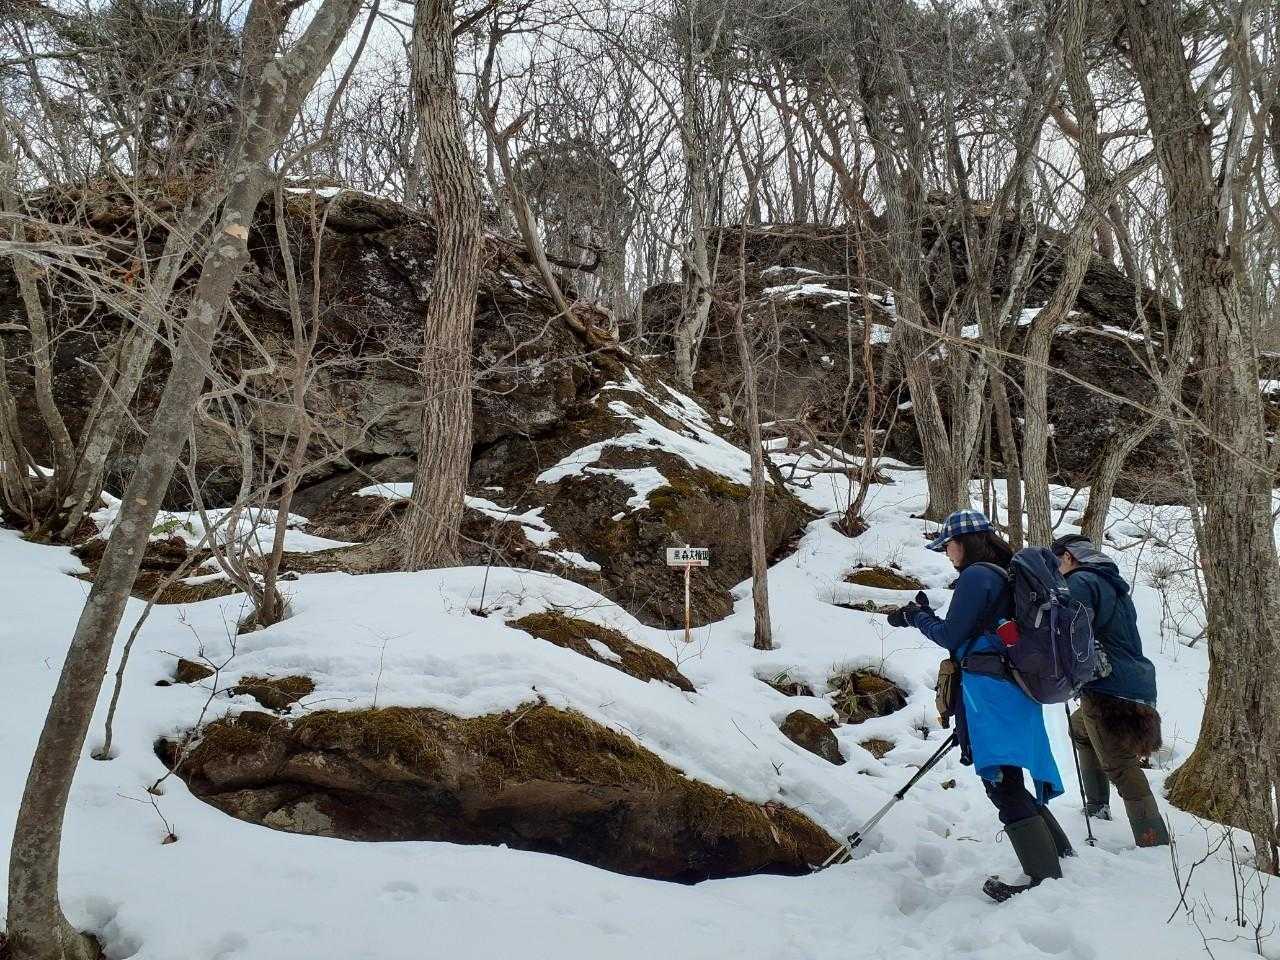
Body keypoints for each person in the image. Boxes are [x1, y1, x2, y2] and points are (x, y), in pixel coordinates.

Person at [889, 509, 1069, 902]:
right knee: (1009, 775)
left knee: (1000, 780)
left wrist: (916, 617)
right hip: (1014, 686)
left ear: (964, 543)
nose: (947, 553)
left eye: (949, 545)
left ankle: (1044, 877)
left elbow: (950, 635)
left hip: (989, 691)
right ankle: (1058, 855)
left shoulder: (976, 576)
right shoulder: (1006, 573)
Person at [1052, 533, 1169, 848]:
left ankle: (1152, 839)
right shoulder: (1112, 584)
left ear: (1068, 557)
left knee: (1119, 763)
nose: (1056, 570)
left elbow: (1074, 629)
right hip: (1136, 681)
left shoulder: (1079, 581)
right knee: (1080, 729)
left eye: (1057, 561)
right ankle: (1097, 805)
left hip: (1107, 687)